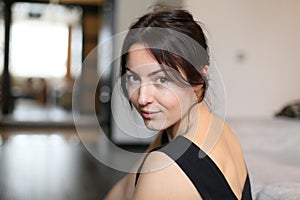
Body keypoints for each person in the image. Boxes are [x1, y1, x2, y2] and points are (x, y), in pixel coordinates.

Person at [105, 6, 252, 200]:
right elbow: (124, 189)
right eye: (133, 78)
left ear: (199, 78)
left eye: (161, 79)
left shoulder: (165, 170)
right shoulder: (214, 128)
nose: (142, 98)